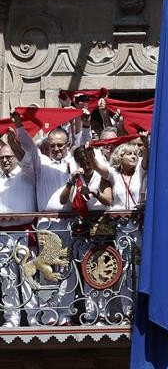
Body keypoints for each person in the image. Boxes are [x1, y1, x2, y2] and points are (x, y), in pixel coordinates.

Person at [13, 109, 92, 326]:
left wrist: (85, 124)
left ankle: (64, 315)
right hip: (47, 224)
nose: (56, 149)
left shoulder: (73, 162)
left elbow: (84, 146)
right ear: (48, 145)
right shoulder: (41, 163)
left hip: (70, 222)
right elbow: (28, 146)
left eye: (60, 145)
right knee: (46, 269)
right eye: (53, 145)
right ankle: (48, 316)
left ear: (67, 145)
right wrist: (18, 124)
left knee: (67, 270)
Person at [0, 138, 37, 327]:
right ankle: (11, 318)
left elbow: (29, 157)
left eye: (9, 156)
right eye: (1, 158)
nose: (5, 160)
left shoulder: (27, 173)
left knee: (27, 276)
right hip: (3, 235)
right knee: (7, 278)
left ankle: (33, 317)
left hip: (23, 232)